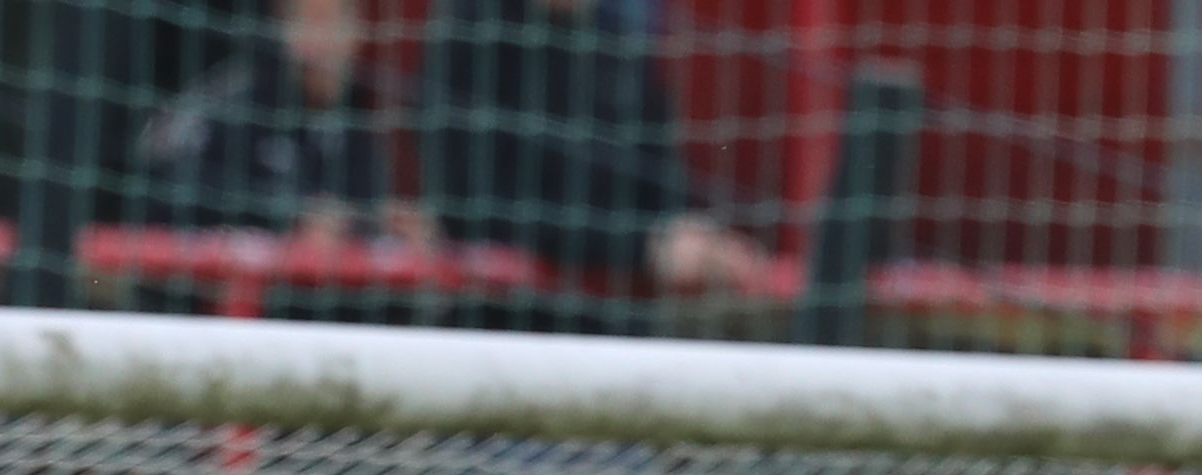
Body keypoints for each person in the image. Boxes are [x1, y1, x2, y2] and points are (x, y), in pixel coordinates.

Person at [412, 0, 767, 305]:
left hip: (616, 325)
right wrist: (642, 248)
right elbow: (472, 210)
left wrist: (699, 235)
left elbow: (663, 180)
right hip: (503, 327)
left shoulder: (616, 43)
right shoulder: (474, 39)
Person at [134, 0, 418, 247]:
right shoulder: (233, 102)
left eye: (340, 22)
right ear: (282, 28)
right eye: (315, 20)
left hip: (313, 300)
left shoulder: (355, 125)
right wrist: (291, 217)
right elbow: (162, 186)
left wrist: (385, 224)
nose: (328, 39)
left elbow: (354, 211)